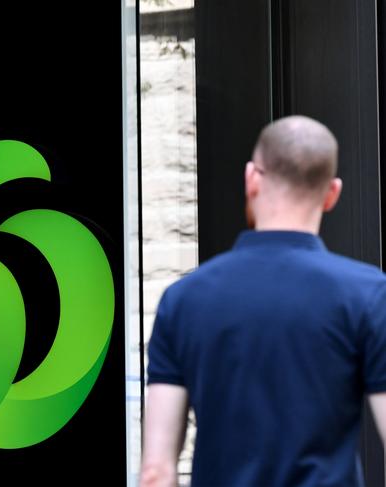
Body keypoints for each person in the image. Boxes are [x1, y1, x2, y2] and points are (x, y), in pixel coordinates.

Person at [140, 115, 386, 487]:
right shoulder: (369, 294)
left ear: (252, 179)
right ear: (332, 193)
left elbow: (155, 473)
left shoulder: (183, 300)